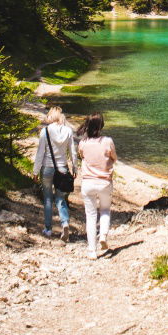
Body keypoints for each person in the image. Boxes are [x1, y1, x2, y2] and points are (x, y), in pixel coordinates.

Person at [33, 106, 77, 242]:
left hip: (47, 167)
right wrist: (75, 167)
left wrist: (35, 171)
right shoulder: (68, 131)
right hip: (62, 168)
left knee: (47, 198)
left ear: (51, 117)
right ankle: (64, 223)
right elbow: (72, 152)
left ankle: (48, 229)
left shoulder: (45, 131)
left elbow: (40, 153)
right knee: (60, 198)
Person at [78, 112, 117, 260]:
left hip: (88, 182)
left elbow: (82, 155)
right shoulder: (107, 141)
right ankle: (104, 235)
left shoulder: (83, 143)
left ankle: (92, 250)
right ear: (101, 126)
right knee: (105, 210)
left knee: (90, 216)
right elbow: (114, 157)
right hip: (104, 182)